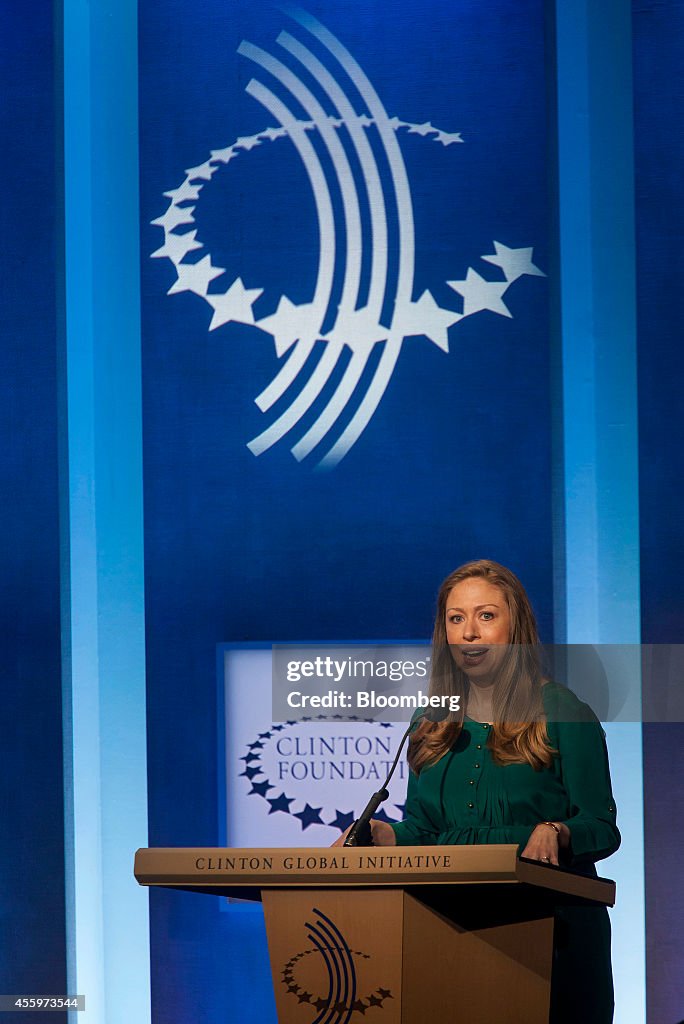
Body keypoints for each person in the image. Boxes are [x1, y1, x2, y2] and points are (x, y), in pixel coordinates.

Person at [335, 559, 620, 1023]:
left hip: (551, 932)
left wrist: (556, 831)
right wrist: (383, 837)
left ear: (516, 626)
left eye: (486, 616)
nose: (469, 632)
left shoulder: (563, 710)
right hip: (449, 930)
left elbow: (602, 827)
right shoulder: (431, 722)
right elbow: (425, 830)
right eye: (456, 618)